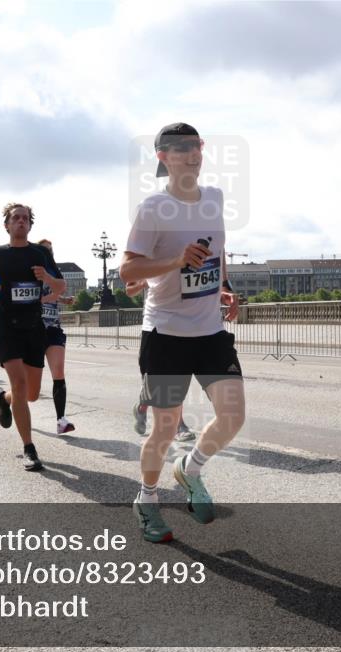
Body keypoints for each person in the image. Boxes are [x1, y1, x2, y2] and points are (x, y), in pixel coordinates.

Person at [120, 122, 243, 543]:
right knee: (165, 429)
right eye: (183, 148)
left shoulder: (215, 198)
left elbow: (217, 250)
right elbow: (128, 271)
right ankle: (147, 500)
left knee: (232, 416)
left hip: (209, 330)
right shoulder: (153, 208)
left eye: (198, 145)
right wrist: (174, 261)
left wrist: (225, 287)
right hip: (166, 332)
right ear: (163, 157)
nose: (193, 153)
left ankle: (189, 471)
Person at [0, 203, 65, 471]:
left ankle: (4, 400)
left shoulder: (40, 253)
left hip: (34, 327)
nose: (21, 222)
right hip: (7, 328)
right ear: (7, 224)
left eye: (25, 218)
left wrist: (47, 276)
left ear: (30, 224)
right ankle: (29, 448)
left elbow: (60, 286)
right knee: (19, 383)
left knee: (31, 394)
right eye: (16, 218)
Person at [125, 278, 196, 442]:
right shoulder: (149, 253)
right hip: (156, 326)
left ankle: (179, 425)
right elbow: (130, 289)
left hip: (185, 327)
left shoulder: (191, 255)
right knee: (154, 384)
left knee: (177, 379)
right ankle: (143, 409)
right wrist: (146, 281)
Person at [37, 239, 75, 435]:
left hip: (53, 328)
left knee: (58, 371)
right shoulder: (29, 271)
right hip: (33, 330)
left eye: (51, 250)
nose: (48, 253)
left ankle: (61, 420)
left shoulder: (54, 273)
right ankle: (6, 399)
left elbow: (55, 290)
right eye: (44, 250)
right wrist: (47, 299)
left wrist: (62, 299)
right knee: (28, 390)